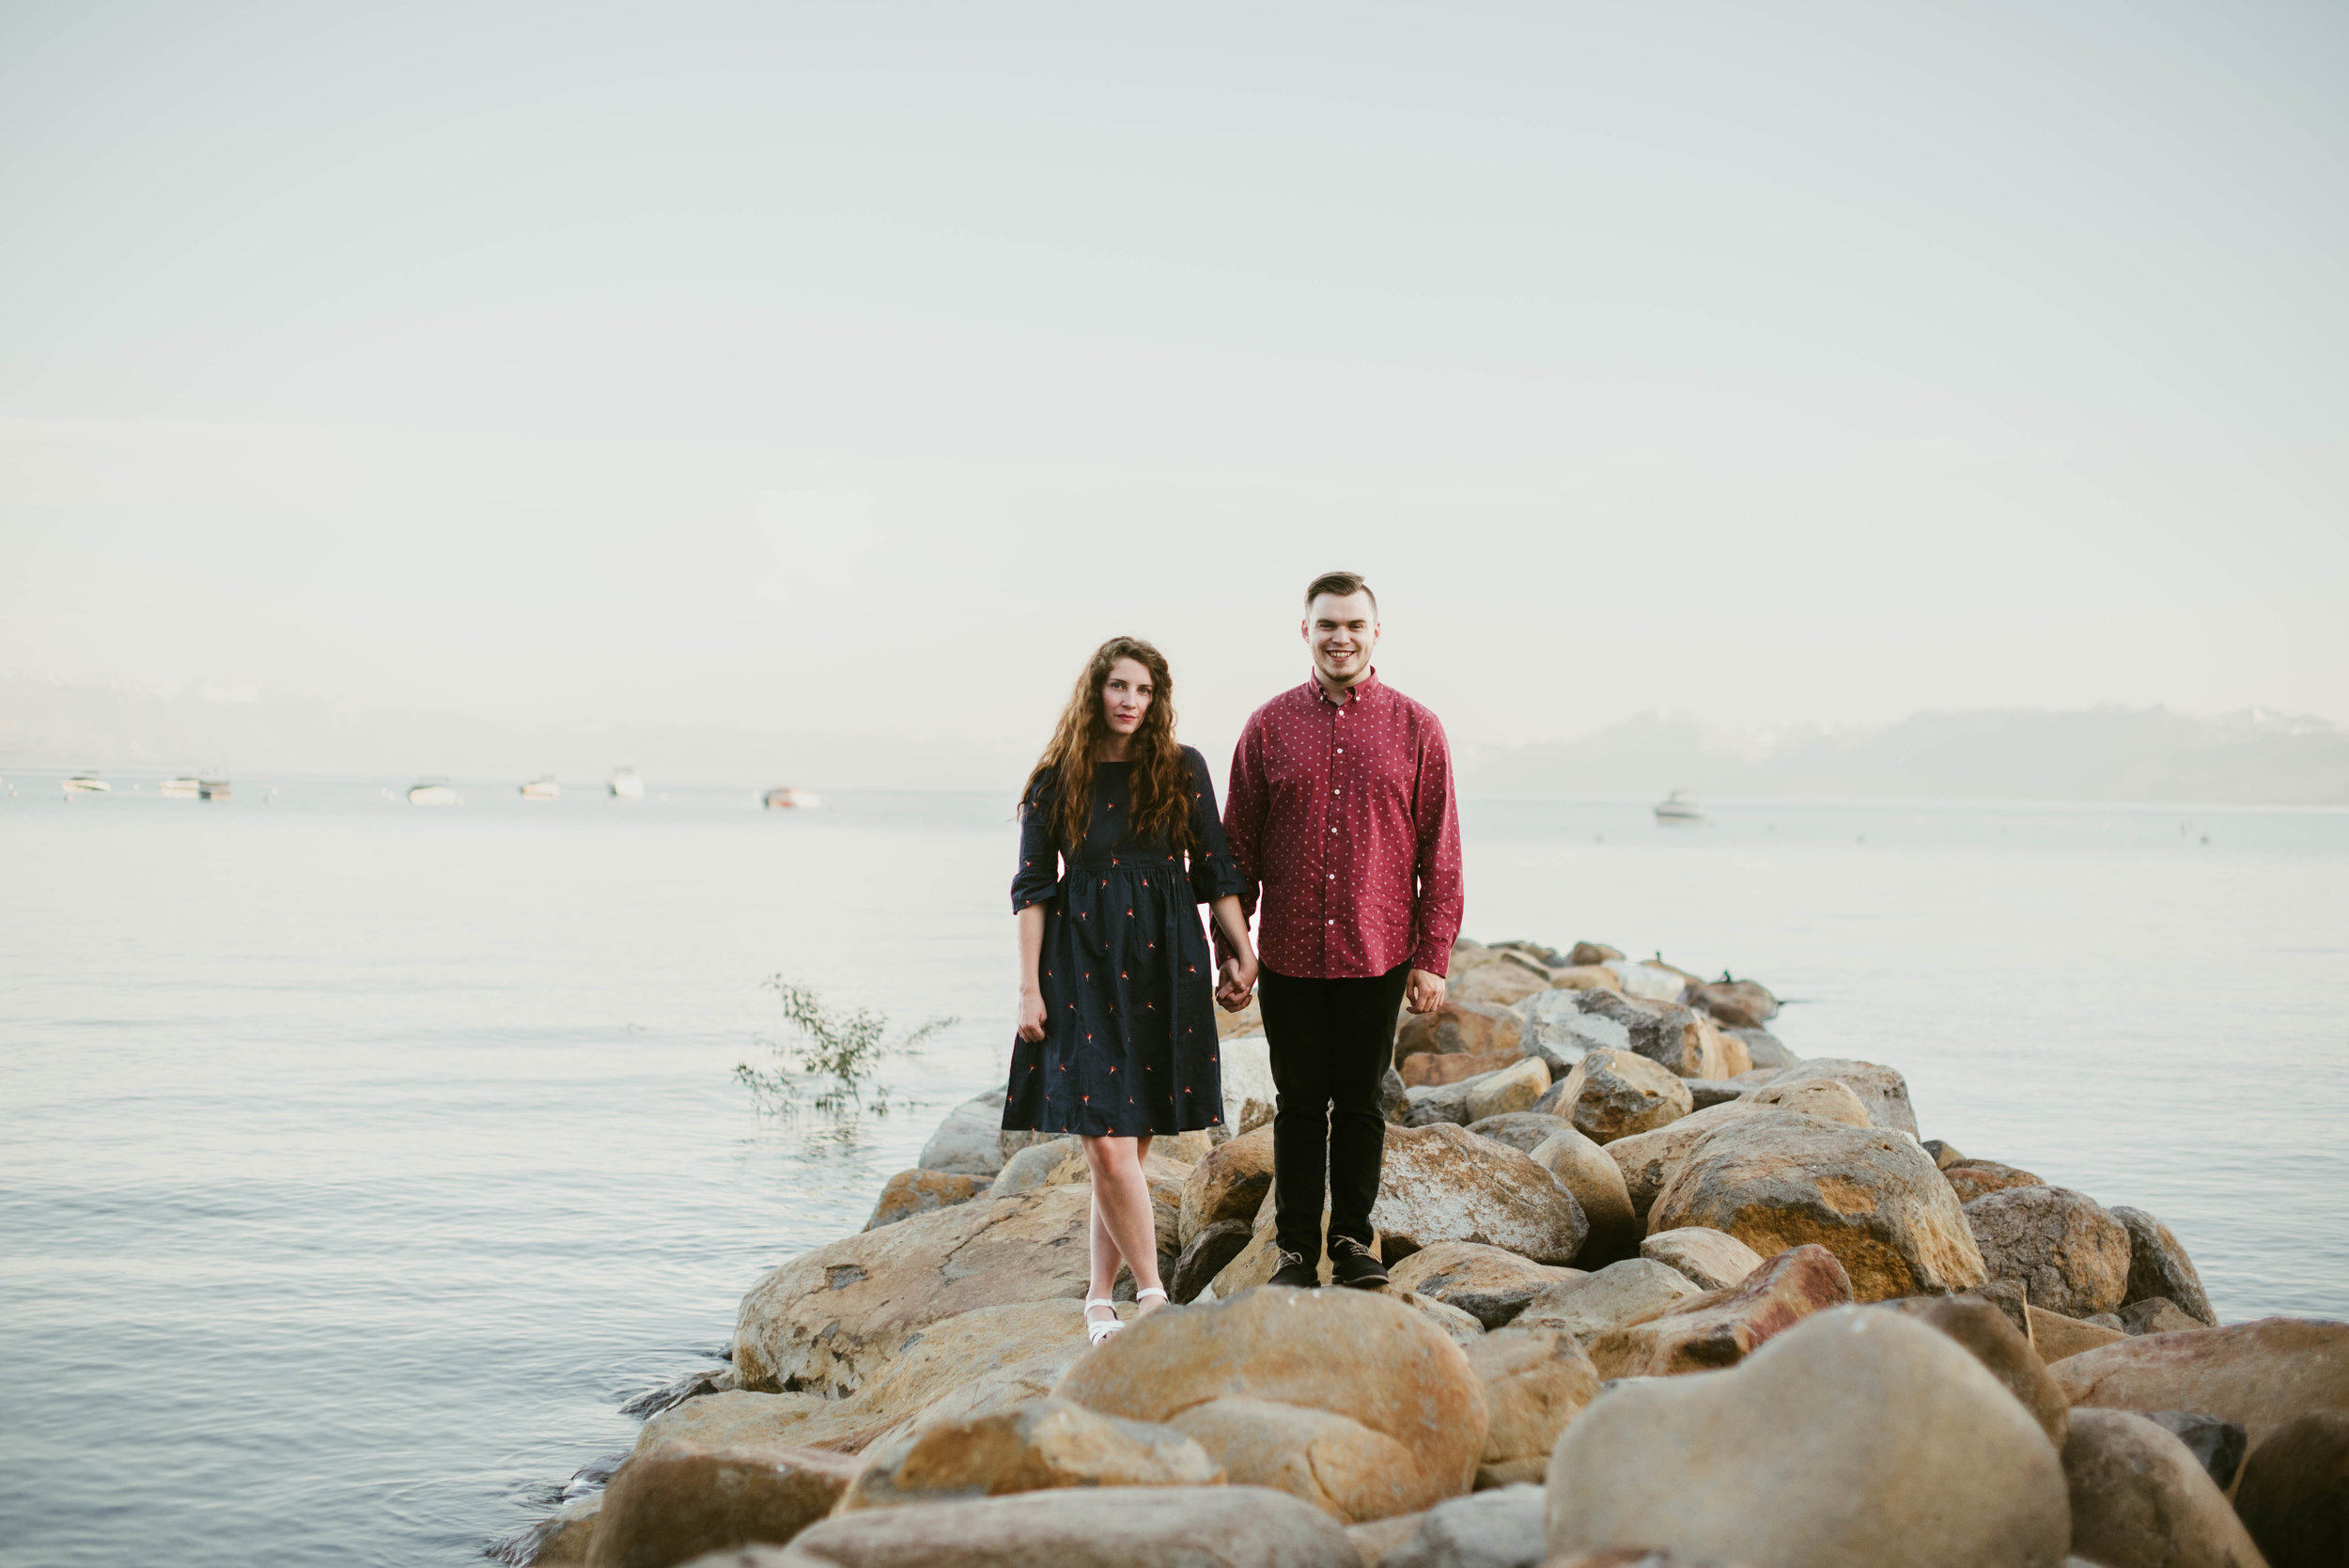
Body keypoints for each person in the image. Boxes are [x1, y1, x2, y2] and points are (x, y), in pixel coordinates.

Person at [1004, 636, 1259, 1343]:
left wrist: (1241, 947)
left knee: (1129, 1153)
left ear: (1158, 699)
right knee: (1107, 1147)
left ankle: (1096, 1298)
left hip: (1162, 958)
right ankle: (1151, 1298)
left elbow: (1215, 867)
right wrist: (1028, 988)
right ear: (1096, 692)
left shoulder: (1181, 767)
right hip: (1080, 961)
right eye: (1119, 686)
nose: (1130, 701)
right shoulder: (1057, 778)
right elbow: (1031, 891)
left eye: (1144, 691)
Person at [1220, 571, 1463, 1290]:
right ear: (1306, 631)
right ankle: (1294, 1251)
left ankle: (1355, 1242)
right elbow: (1237, 853)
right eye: (1327, 624)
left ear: (1375, 633)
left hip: (1378, 950)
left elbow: (1439, 850)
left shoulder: (1417, 728)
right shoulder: (1267, 726)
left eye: (1354, 624)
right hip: (1289, 955)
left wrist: (1433, 956)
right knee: (1297, 1104)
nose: (1341, 636)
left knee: (1360, 1102)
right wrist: (1233, 953)